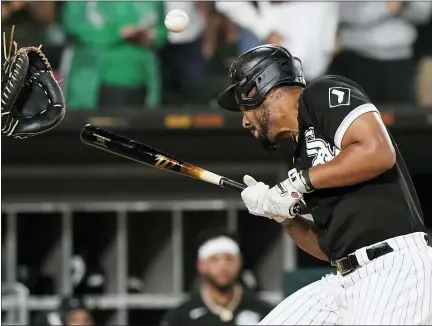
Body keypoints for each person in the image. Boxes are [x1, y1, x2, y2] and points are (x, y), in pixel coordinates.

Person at [217, 45, 431, 325]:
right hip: (345, 279)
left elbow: (378, 151)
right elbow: (329, 248)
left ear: (260, 86)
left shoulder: (321, 93)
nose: (245, 121)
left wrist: (295, 185)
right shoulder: (301, 157)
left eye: (244, 106)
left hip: (394, 268)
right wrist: (282, 216)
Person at [160, 231, 272, 326]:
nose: (223, 266)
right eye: (214, 259)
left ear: (240, 262)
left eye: (229, 258)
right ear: (201, 265)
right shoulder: (180, 317)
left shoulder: (264, 312)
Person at [331, 1, 432, 106]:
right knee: (353, 116)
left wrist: (403, 5)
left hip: (399, 60)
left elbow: (422, 14)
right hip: (354, 57)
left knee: (401, 117)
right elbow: (340, 12)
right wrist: (383, 7)